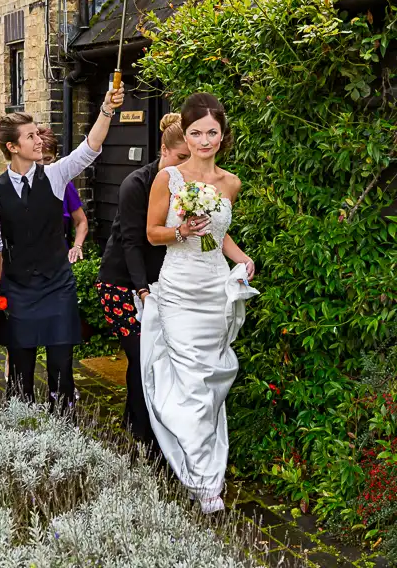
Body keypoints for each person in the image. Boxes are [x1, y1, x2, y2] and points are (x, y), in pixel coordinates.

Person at [142, 93, 259, 514]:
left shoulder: (231, 183)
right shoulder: (168, 179)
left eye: (212, 132)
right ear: (185, 135)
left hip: (214, 291)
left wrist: (242, 258)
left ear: (223, 134)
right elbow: (153, 232)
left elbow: (219, 235)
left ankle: (203, 465)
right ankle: (203, 480)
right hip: (178, 290)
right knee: (192, 380)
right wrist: (182, 231)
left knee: (211, 382)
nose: (204, 140)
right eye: (196, 133)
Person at [0, 84, 124, 409]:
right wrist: (8, 283)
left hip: (58, 286)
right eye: (31, 136)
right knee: (20, 372)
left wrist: (106, 108)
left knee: (61, 367)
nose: (39, 141)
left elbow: (90, 148)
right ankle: (21, 438)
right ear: (12, 146)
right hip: (17, 290)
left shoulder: (57, 175)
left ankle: (63, 434)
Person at [97, 113, 190, 444]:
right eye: (181, 158)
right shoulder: (136, 184)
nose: (185, 166)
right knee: (143, 359)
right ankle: (144, 439)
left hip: (163, 284)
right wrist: (142, 291)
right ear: (164, 150)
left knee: (153, 360)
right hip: (121, 284)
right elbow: (133, 243)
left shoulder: (188, 187)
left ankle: (134, 421)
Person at [37, 126, 89, 264]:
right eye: (38, 160)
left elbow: (81, 221)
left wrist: (77, 246)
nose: (43, 165)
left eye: (47, 159)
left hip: (58, 261)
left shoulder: (65, 186)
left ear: (55, 157)